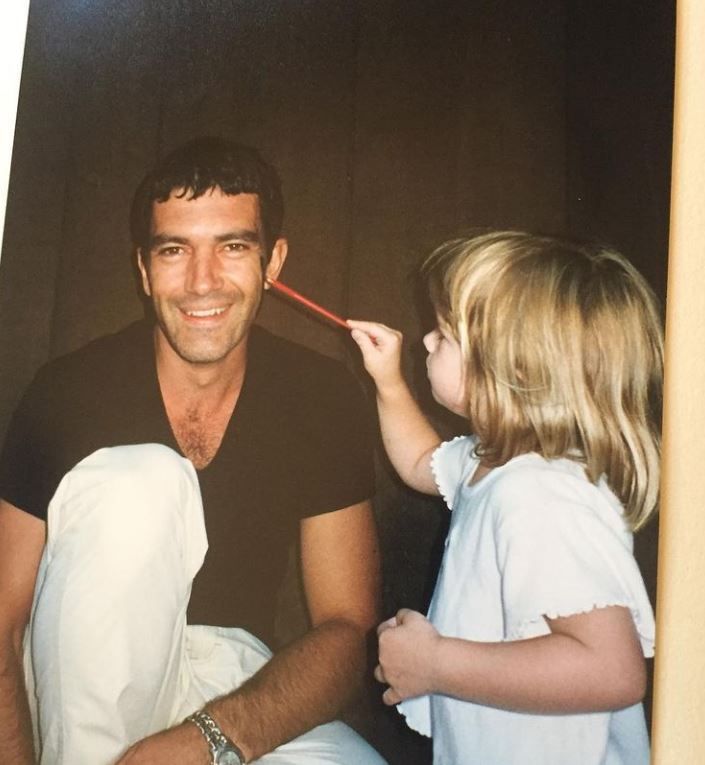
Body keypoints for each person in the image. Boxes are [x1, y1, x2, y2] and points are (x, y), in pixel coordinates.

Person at [0, 137, 386, 765]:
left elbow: (346, 626)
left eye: (232, 247)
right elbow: (2, 621)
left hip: (236, 686)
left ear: (273, 262)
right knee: (140, 477)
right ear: (144, 270)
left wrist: (208, 738)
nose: (202, 282)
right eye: (174, 250)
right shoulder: (67, 393)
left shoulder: (319, 395)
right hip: (84, 680)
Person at [348, 231, 661, 764]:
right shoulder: (497, 461)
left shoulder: (541, 496)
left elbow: (612, 671)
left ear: (513, 370)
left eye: (445, 334)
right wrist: (389, 383)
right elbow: (421, 463)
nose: (427, 341)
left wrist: (436, 664)